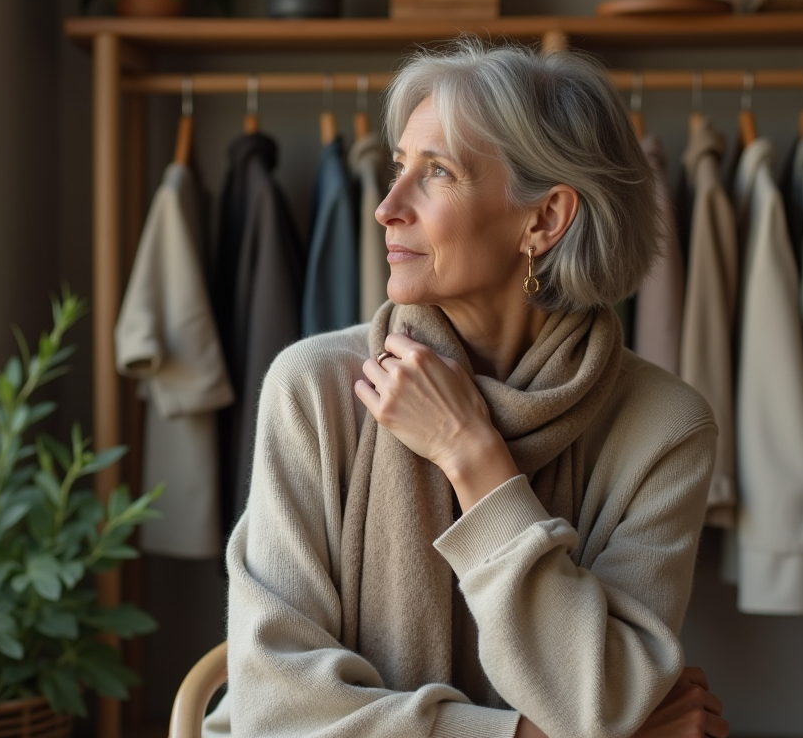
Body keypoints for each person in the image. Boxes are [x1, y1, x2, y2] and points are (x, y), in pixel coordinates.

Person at [203, 38, 728, 738]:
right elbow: (274, 708)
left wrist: (473, 457)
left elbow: (595, 699)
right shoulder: (315, 389)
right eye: (399, 168)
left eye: (437, 172)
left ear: (543, 220)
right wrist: (522, 735)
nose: (387, 206)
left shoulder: (665, 428)